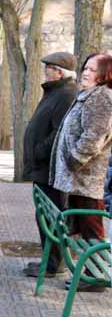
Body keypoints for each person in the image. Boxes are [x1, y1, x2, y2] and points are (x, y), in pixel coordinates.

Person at [49, 53, 112, 292]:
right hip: (78, 177)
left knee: (92, 225)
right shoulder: (89, 95)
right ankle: (90, 272)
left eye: (93, 69)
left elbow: (94, 136)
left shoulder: (102, 98)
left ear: (105, 74)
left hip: (87, 177)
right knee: (86, 226)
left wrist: (75, 159)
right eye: (85, 67)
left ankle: (97, 276)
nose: (86, 72)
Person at [21, 52, 79, 279]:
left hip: (49, 167)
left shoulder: (66, 94)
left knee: (50, 215)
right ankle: (51, 261)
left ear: (59, 72)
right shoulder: (56, 92)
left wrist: (39, 151)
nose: (45, 71)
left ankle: (54, 263)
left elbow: (59, 132)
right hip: (43, 167)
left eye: (49, 67)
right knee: (45, 214)